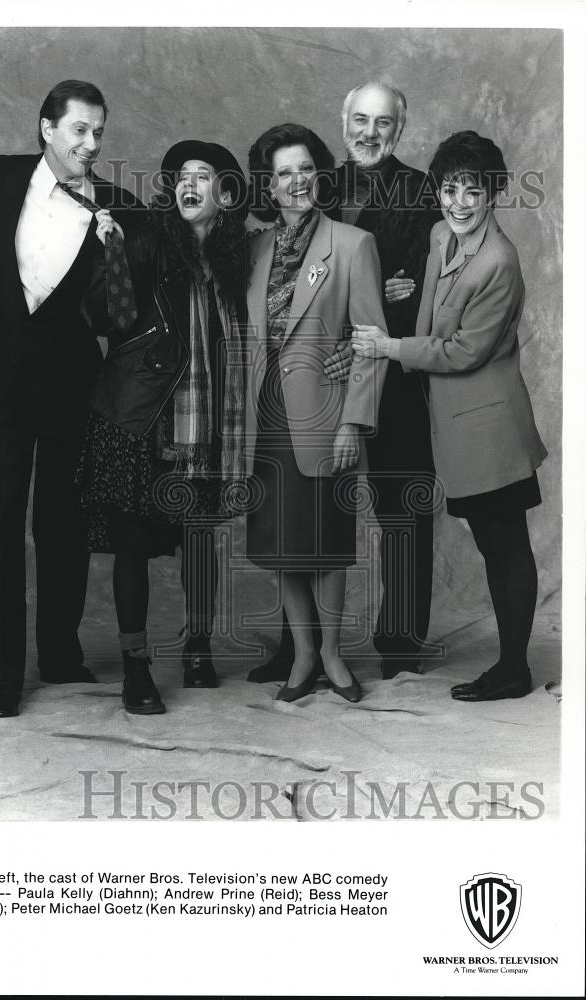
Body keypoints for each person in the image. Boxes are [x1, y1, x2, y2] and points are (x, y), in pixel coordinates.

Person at [248, 82, 439, 684]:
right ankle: (296, 647)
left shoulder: (421, 195)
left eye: (384, 123)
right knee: (300, 517)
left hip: (395, 379)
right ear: (344, 121)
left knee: (400, 510)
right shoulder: (319, 182)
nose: (370, 132)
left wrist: (371, 329)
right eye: (360, 119)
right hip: (311, 385)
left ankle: (400, 644)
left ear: (400, 130)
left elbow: (424, 294)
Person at [0, 80, 146, 718]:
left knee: (63, 525)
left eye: (99, 132)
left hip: (76, 386)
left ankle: (61, 654)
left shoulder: (120, 206)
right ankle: (1, 677)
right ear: (47, 129)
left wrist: (116, 250)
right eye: (80, 130)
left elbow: (122, 313)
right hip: (2, 385)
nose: (92, 143)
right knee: (1, 525)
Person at [352, 131, 546, 701]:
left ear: (494, 194)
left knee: (505, 544)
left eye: (474, 190)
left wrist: (387, 346)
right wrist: (399, 296)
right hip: (454, 423)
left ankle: (513, 668)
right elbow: (433, 313)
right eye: (450, 188)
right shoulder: (441, 235)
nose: (459, 202)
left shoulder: (499, 261)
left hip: (489, 425)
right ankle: (511, 664)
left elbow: (461, 351)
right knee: (494, 544)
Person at [76, 140, 249, 713]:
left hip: (209, 420)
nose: (189, 184)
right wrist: (112, 257)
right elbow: (106, 318)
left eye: (204, 176)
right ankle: (136, 670)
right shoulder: (146, 242)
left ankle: (198, 649)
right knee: (132, 545)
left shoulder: (237, 258)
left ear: (225, 194)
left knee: (201, 537)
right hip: (142, 413)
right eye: (180, 176)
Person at [245, 123, 388, 703]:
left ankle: (332, 653)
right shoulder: (254, 247)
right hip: (265, 415)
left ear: (319, 174)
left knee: (328, 542)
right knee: (282, 544)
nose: (297, 180)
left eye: (305, 168)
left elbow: (371, 337)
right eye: (284, 173)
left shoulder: (352, 244)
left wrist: (355, 421)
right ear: (269, 186)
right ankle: (302, 654)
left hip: (326, 415)